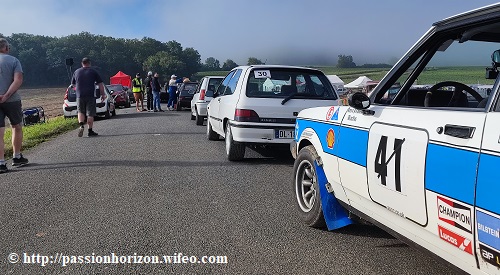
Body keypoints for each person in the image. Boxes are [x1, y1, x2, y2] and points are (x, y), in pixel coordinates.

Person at [0, 38, 28, 173]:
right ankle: (16, 157)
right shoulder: (14, 60)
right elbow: (18, 80)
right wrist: (6, 96)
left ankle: (1, 163)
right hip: (12, 100)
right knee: (16, 127)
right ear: (6, 48)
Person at [71, 57, 106, 137]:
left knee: (80, 111)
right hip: (90, 95)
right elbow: (100, 84)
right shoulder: (93, 71)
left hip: (80, 96)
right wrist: (103, 94)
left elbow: (73, 85)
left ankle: (81, 125)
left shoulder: (76, 72)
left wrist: (78, 91)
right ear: (89, 63)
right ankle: (90, 131)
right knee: (90, 113)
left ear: (82, 63)